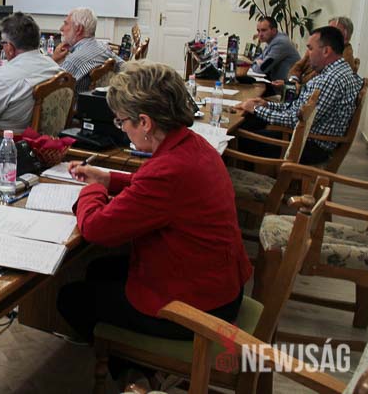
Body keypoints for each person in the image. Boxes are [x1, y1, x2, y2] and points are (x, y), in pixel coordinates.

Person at [57, 62, 251, 353]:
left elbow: (96, 228)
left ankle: (133, 369)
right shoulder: (193, 144)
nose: (122, 129)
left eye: (122, 122)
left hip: (197, 309)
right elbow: (155, 191)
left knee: (71, 298)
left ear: (145, 123)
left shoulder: (168, 170)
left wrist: (92, 189)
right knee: (99, 269)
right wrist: (108, 178)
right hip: (218, 285)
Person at [235, 25, 364, 164]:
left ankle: (247, 176)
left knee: (237, 137)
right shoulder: (337, 71)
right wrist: (267, 105)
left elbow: (295, 121)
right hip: (306, 136)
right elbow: (297, 108)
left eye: (310, 48)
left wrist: (256, 109)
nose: (307, 54)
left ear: (326, 51)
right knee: (249, 121)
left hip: (308, 145)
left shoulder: (330, 80)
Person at [0, 12, 61, 143]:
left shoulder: (6, 76)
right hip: (48, 145)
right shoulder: (55, 68)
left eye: (3, 43)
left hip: (4, 144)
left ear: (10, 48)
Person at [51, 7, 124, 93]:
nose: (61, 28)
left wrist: (53, 60)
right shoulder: (103, 48)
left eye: (66, 24)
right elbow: (126, 68)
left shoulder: (73, 61)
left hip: (79, 101)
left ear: (79, 29)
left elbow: (50, 91)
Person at [282, 16, 357, 85]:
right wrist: (293, 80)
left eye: (332, 31)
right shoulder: (315, 49)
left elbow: (318, 84)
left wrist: (296, 87)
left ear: (345, 35)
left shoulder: (343, 59)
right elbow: (297, 67)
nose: (327, 34)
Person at [250, 16, 300, 82]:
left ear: (273, 31)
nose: (260, 34)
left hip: (286, 85)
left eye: (263, 30)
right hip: (276, 83)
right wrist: (257, 62)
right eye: (258, 31)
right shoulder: (271, 41)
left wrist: (257, 63)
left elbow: (261, 69)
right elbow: (257, 60)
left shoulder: (280, 42)